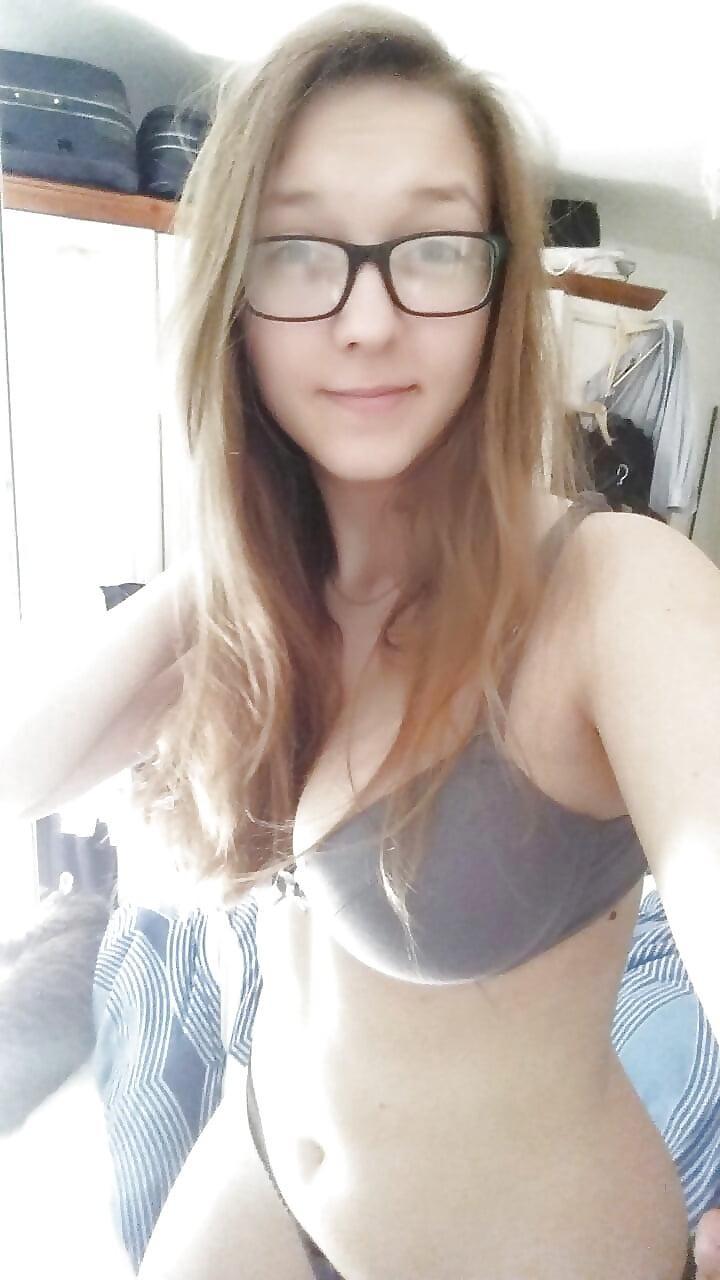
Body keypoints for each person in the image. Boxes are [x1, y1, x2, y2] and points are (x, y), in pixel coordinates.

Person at [4, 4, 718, 1278]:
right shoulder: (259, 600)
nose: (369, 319)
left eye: (432, 247)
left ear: (499, 287)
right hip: (260, 1163)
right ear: (232, 292)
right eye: (296, 251)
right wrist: (243, 544)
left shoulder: (612, 589)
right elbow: (22, 768)